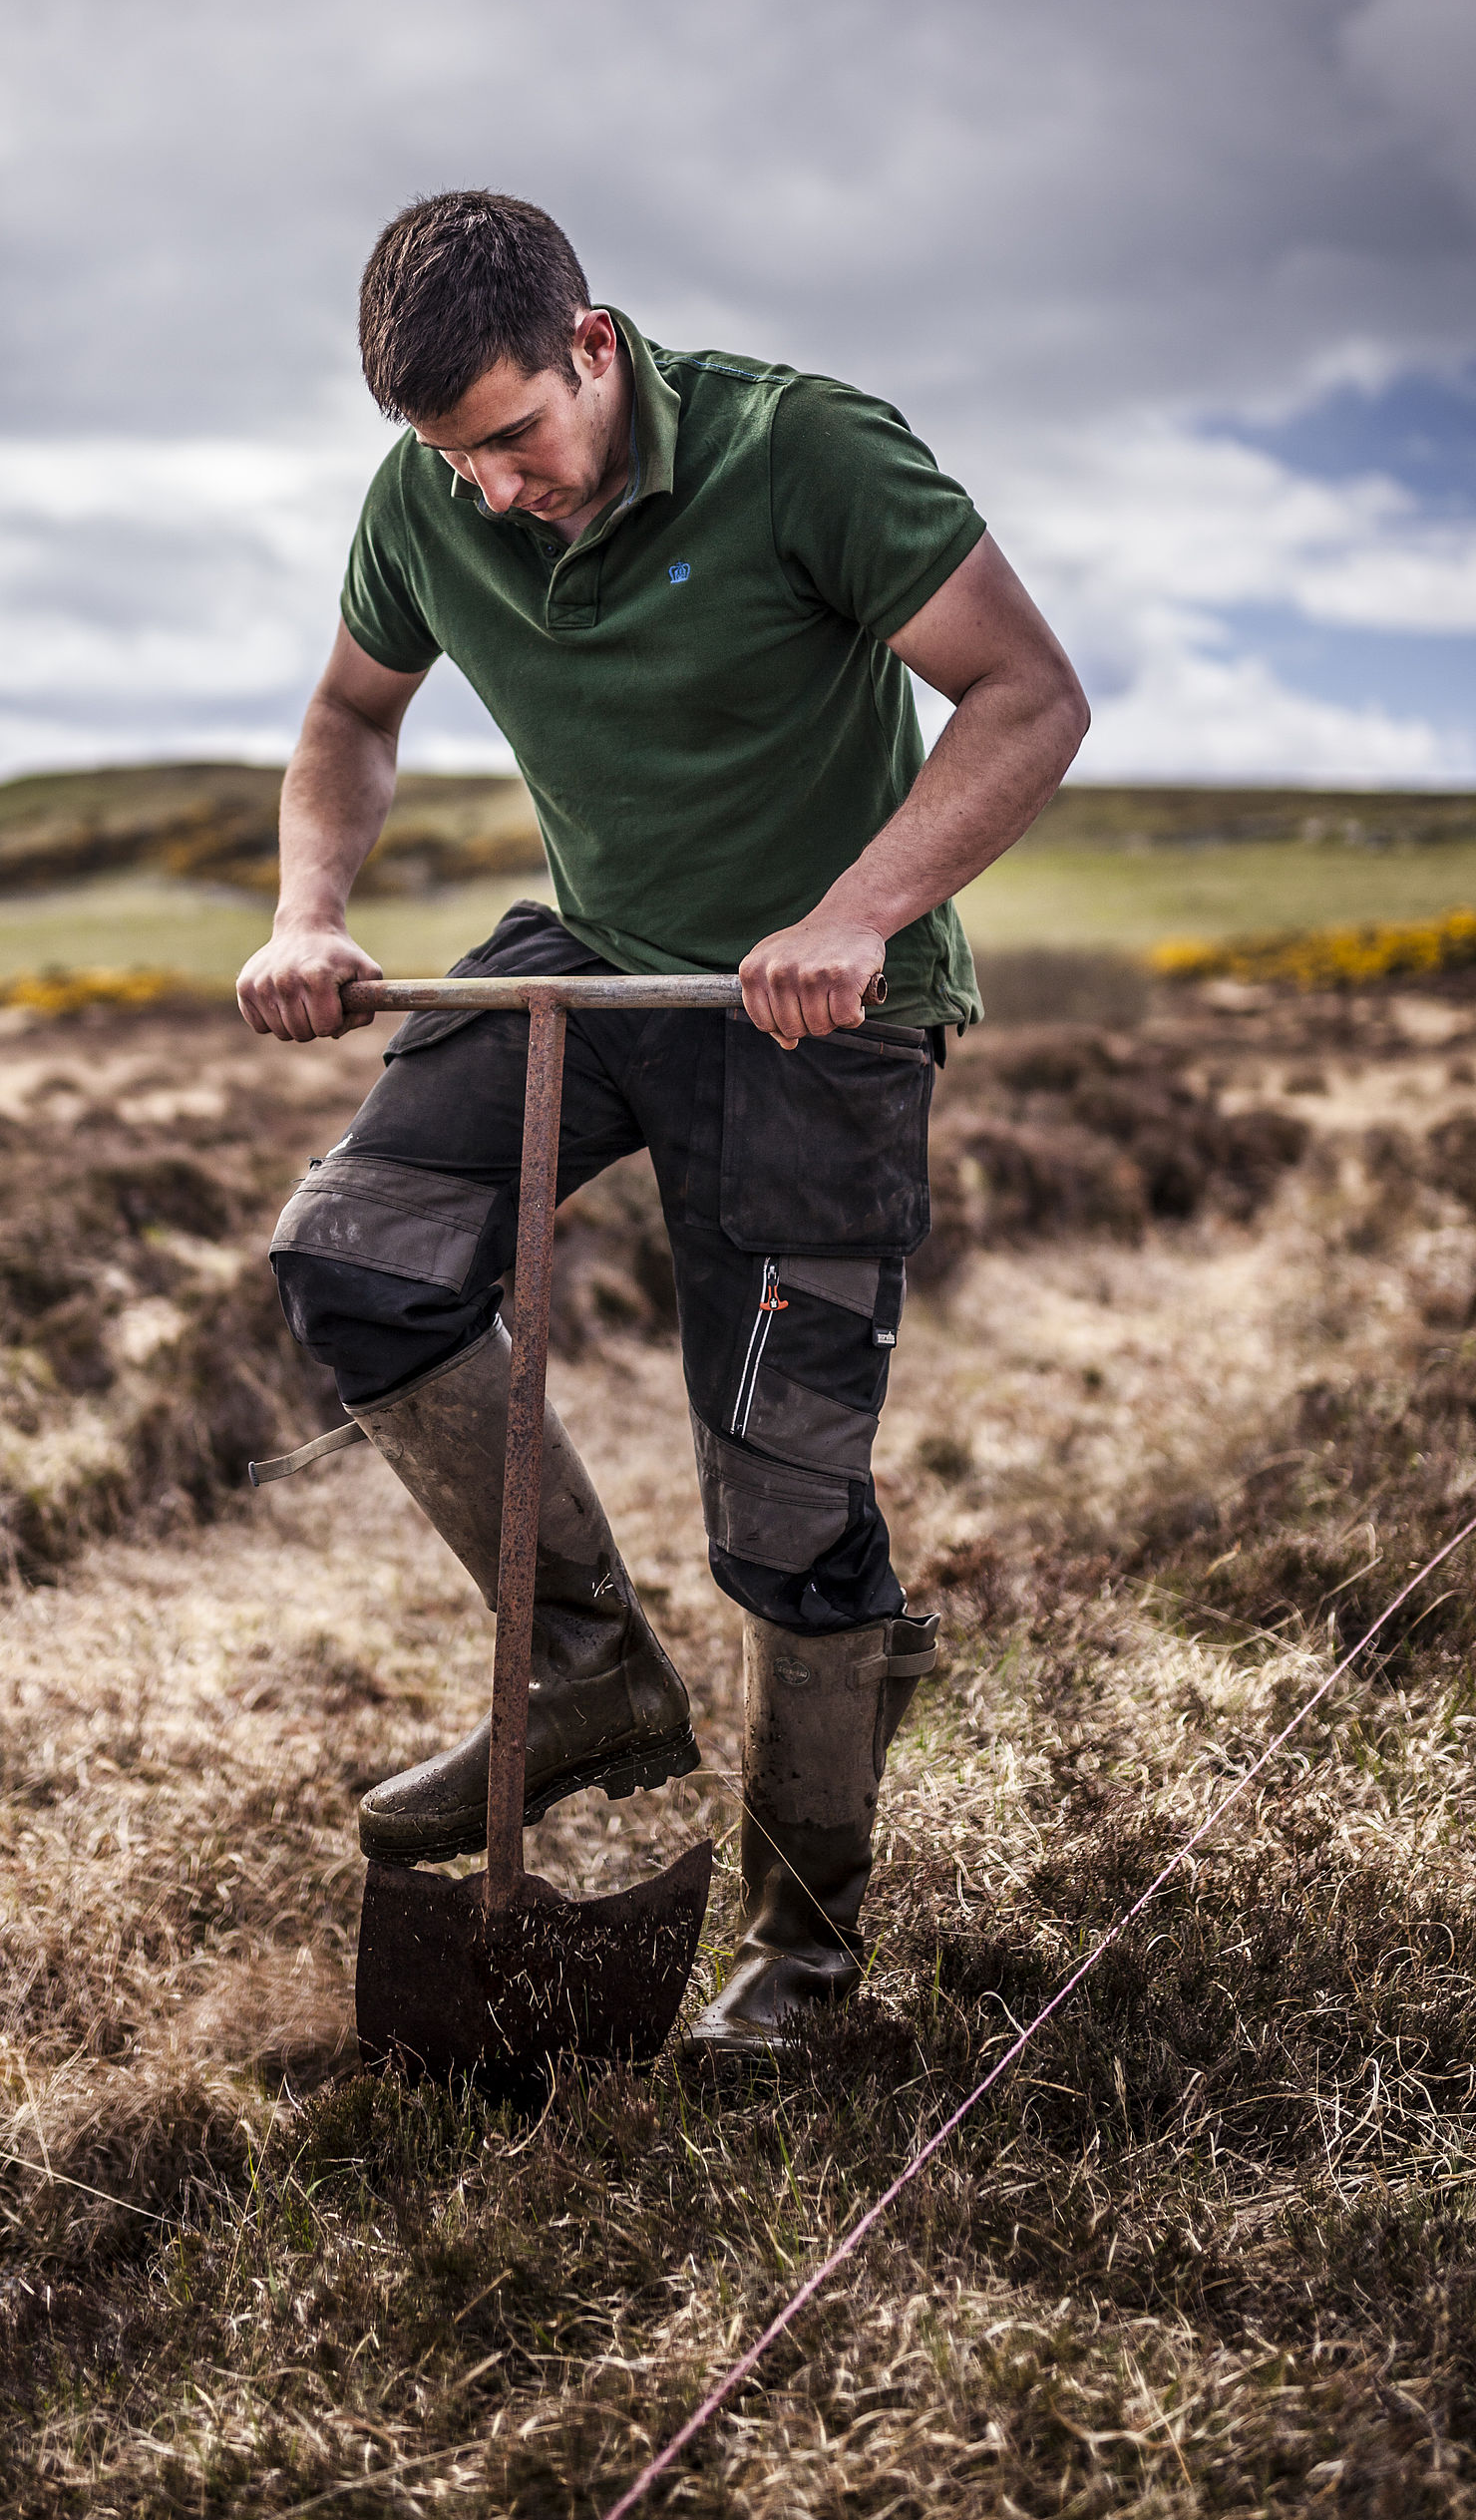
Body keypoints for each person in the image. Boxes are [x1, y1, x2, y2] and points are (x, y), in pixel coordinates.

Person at [236, 190, 1088, 2059]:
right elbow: (349, 718)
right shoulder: (434, 499)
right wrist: (310, 908)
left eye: (517, 438)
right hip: (605, 968)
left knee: (786, 1509)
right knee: (353, 1251)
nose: (493, 491)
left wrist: (857, 912)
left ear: (596, 346)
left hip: (818, 1010)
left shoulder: (808, 451)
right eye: (450, 459)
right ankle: (588, 1664)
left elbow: (1029, 697)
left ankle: (802, 1960)